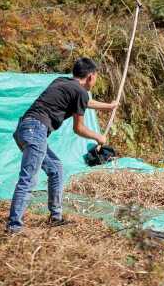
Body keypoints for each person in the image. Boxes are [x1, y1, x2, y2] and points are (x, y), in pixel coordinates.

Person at [7, 58, 117, 233]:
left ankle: (55, 217)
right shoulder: (80, 92)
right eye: (96, 77)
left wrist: (109, 107)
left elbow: (85, 103)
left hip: (24, 129)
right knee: (28, 178)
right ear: (90, 76)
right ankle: (14, 227)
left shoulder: (61, 82)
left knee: (56, 168)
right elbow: (78, 128)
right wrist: (99, 138)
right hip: (36, 130)